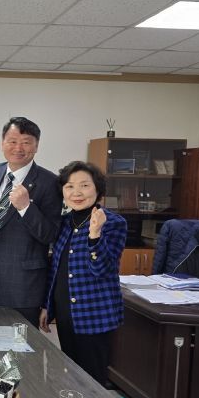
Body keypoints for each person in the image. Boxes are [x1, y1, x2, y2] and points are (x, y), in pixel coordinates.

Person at [39, 161, 127, 386]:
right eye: (69, 186)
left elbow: (102, 268)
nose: (76, 193)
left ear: (98, 189)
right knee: (71, 375)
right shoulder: (64, 222)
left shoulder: (113, 222)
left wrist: (95, 234)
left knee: (92, 381)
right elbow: (56, 268)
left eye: (84, 185)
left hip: (94, 315)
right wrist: (48, 306)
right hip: (66, 314)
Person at [0, 116, 62, 325]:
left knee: (22, 343)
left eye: (26, 142)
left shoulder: (50, 182)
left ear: (36, 146)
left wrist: (26, 207)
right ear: (2, 143)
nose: (18, 148)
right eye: (12, 141)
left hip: (24, 284)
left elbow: (50, 234)